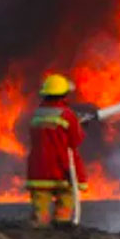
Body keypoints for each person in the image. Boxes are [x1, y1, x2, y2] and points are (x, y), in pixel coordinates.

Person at [26, 74, 88, 226]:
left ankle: (39, 229)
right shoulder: (67, 114)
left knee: (40, 206)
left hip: (38, 170)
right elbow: (75, 140)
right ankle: (61, 229)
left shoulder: (37, 113)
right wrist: (79, 125)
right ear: (65, 94)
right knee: (65, 200)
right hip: (61, 169)